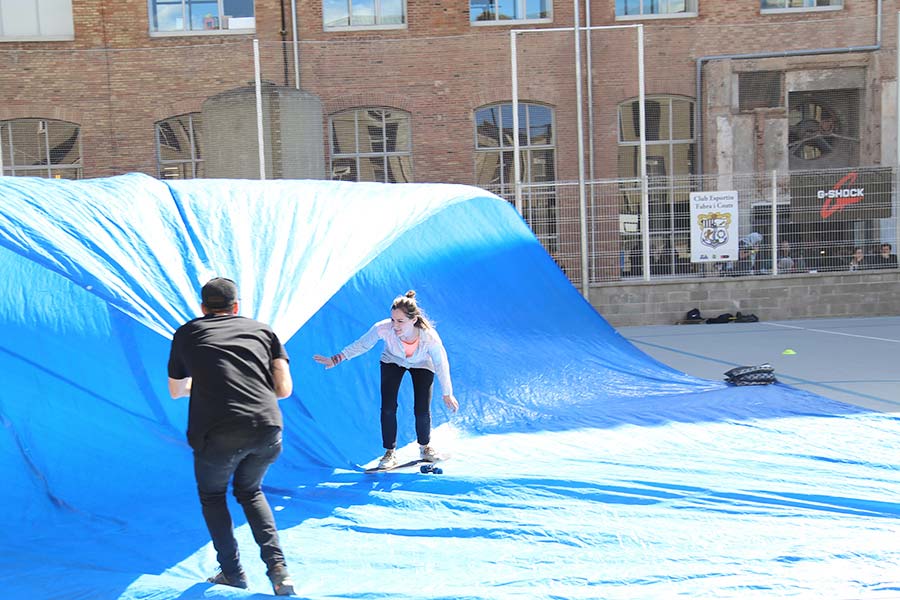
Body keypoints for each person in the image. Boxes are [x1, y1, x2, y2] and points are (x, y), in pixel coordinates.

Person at [168, 277, 296, 596]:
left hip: (218, 434)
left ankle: (232, 573)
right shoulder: (265, 331)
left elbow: (176, 391)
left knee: (213, 496)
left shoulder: (187, 333)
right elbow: (283, 390)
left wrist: (209, 383)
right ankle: (279, 571)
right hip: (267, 428)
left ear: (202, 308)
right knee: (251, 491)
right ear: (236, 307)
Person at [313, 290, 459, 469]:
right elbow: (362, 344)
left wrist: (447, 394)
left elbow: (441, 364)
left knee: (422, 409)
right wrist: (336, 359)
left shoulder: (429, 337)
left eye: (400, 321)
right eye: (393, 320)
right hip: (392, 360)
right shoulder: (383, 328)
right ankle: (390, 452)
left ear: (413, 320)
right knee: (388, 408)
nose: (395, 325)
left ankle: (425, 447)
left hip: (422, 363)